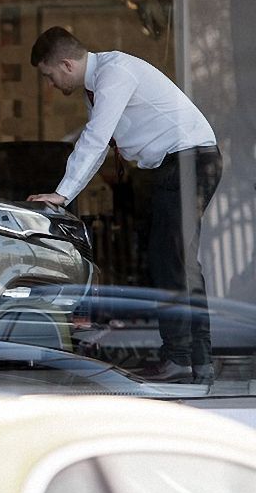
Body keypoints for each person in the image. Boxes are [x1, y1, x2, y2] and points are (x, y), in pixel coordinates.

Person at [26, 27, 222, 384]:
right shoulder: (97, 85)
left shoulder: (114, 73)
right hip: (174, 166)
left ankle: (187, 359)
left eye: (48, 75)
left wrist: (62, 194)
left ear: (66, 64)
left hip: (188, 162)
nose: (50, 84)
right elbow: (101, 142)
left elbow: (96, 139)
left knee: (174, 261)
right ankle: (190, 358)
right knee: (170, 261)